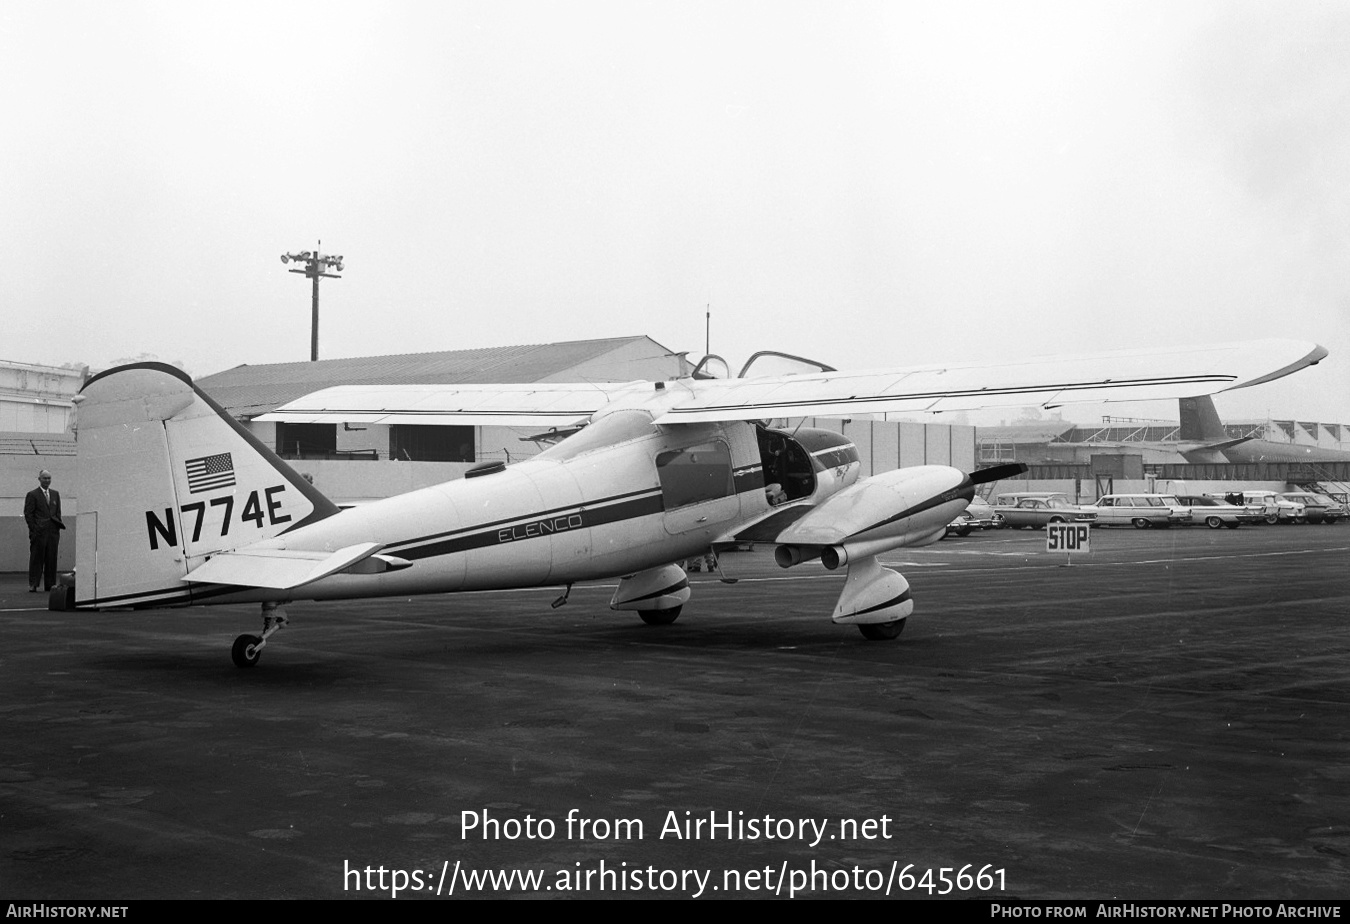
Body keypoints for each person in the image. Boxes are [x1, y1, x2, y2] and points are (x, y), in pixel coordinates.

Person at [25, 469, 64, 592]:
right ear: (39, 479)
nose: (47, 480)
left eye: (49, 478)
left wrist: (57, 525)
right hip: (39, 533)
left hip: (53, 532)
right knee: (37, 558)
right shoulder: (32, 494)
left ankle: (50, 584)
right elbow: (28, 514)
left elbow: (57, 512)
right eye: (44, 478)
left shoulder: (55, 494)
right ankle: (33, 584)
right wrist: (34, 529)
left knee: (51, 558)